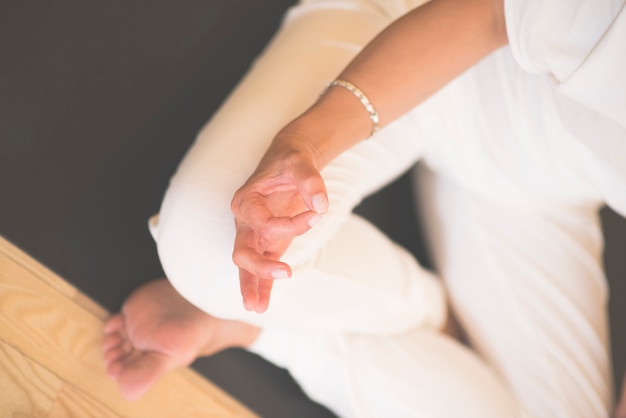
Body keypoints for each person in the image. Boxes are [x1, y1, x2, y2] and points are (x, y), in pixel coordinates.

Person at [102, 0, 626, 416]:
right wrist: (308, 141)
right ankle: (430, 316)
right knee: (211, 248)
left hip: (544, 181)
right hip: (417, 30)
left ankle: (260, 327)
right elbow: (489, 12)